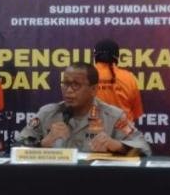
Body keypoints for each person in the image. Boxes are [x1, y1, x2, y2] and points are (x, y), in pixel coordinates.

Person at [17, 62, 151, 156]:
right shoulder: (47, 113)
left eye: (76, 85)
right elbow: (16, 146)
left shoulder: (114, 116)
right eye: (65, 84)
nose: (69, 90)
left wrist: (118, 146)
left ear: (93, 90)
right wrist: (42, 143)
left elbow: (144, 148)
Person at [94, 38, 143, 122]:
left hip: (93, 128)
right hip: (123, 128)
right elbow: (136, 113)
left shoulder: (85, 76)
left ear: (95, 56)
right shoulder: (128, 77)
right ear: (117, 57)